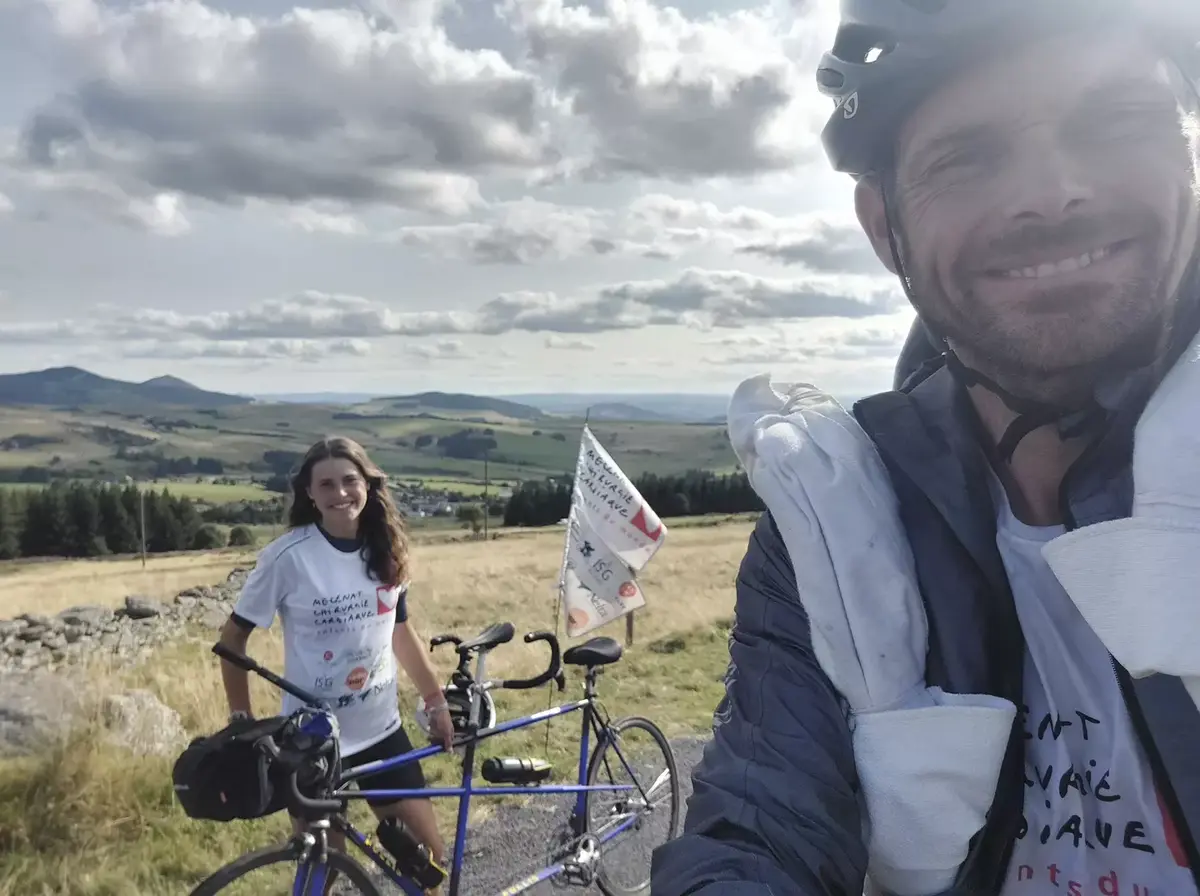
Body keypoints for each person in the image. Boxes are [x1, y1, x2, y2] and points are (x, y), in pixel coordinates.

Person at [652, 2, 1200, 894]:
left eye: (1116, 122)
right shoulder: (839, 528)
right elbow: (760, 829)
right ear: (884, 228)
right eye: (967, 157)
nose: (1050, 192)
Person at [217, 436, 455, 884]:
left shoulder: (385, 545)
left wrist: (435, 700)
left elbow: (400, 632)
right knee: (322, 874)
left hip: (382, 733)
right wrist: (241, 723)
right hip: (312, 744)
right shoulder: (288, 558)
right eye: (325, 484)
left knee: (428, 867)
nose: (340, 493)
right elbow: (232, 642)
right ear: (309, 493)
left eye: (350, 480)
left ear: (368, 483)